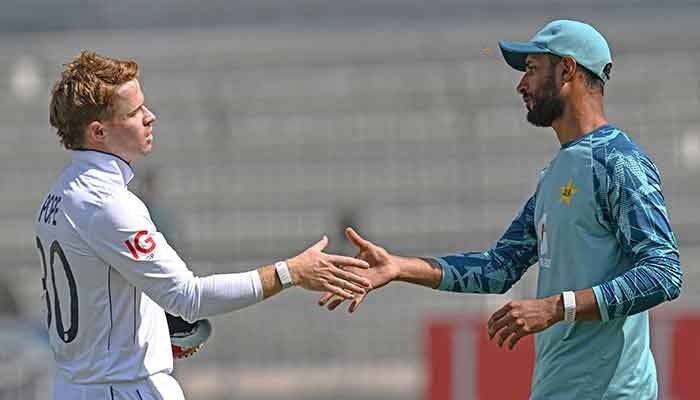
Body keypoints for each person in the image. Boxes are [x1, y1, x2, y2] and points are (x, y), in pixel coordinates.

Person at [319, 20, 682, 399]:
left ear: (568, 69)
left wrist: (557, 308)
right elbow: (499, 267)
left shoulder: (618, 161)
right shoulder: (555, 173)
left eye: (531, 69)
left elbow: (664, 272)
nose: (521, 85)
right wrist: (398, 267)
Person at [36, 51, 371, 400]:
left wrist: (149, 327)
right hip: (123, 390)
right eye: (134, 112)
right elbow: (188, 297)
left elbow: (96, 297)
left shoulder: (58, 196)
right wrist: (291, 273)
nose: (150, 117)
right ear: (99, 131)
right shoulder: (108, 203)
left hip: (76, 387)